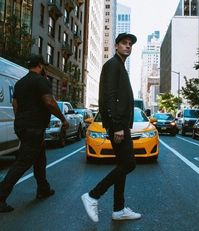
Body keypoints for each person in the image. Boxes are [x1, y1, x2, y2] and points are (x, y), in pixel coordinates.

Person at [81, 33, 141, 222]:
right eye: (124, 43)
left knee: (123, 164)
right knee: (129, 164)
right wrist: (116, 126)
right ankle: (93, 195)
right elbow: (108, 97)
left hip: (121, 124)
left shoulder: (119, 66)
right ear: (116, 46)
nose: (128, 46)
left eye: (130, 44)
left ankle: (118, 209)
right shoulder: (112, 65)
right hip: (118, 125)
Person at [0, 54, 69, 212]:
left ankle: (43, 189)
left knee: (40, 159)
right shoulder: (41, 81)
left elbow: (15, 104)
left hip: (23, 127)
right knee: (23, 162)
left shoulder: (20, 83)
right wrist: (63, 119)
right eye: (43, 66)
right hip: (34, 128)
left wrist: (21, 121)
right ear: (40, 65)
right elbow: (49, 102)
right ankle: (1, 196)